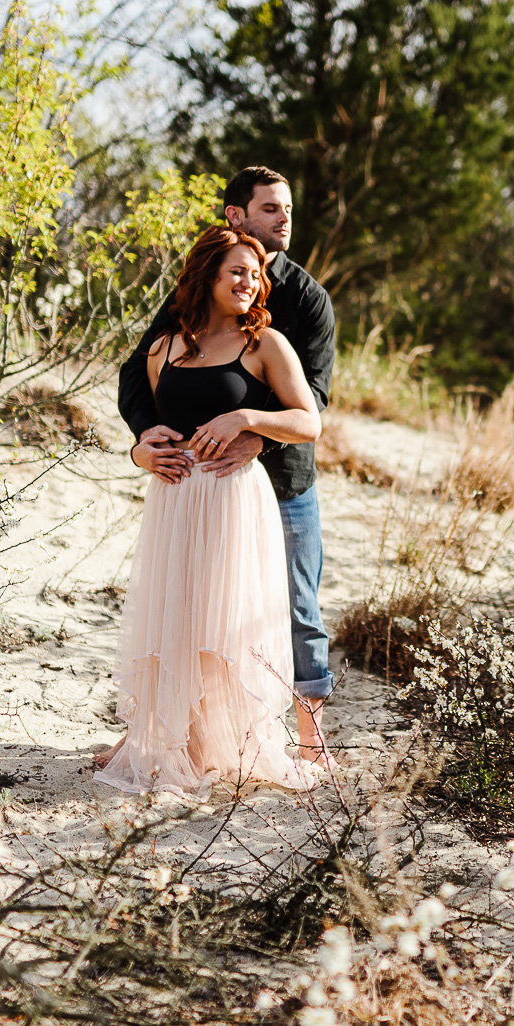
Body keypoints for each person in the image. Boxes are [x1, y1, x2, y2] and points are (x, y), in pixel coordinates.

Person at [114, 167, 338, 764]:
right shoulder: (187, 307)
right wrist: (142, 443)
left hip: (279, 484)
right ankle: (162, 738)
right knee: (184, 607)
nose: (284, 219)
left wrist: (251, 431)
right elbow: (139, 372)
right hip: (187, 489)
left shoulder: (306, 302)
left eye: (287, 208)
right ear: (237, 216)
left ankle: (310, 743)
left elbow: (312, 402)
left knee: (289, 607)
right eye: (270, 209)